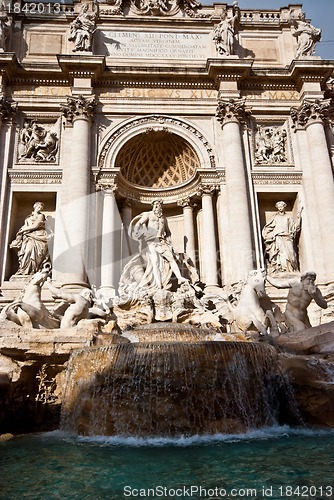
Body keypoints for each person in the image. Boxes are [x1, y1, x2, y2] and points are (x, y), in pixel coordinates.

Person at [130, 199, 188, 290]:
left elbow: (168, 232)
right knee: (155, 262)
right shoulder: (148, 214)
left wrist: (169, 242)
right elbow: (139, 223)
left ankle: (179, 278)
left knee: (171, 258)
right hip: (151, 241)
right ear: (153, 205)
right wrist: (137, 233)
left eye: (159, 204)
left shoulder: (163, 219)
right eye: (155, 204)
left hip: (161, 241)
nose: (157, 206)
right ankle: (158, 284)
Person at [10, 202, 50, 276]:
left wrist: (24, 230)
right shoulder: (28, 218)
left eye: (41, 208)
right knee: (27, 251)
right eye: (39, 207)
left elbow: (36, 225)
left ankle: (33, 271)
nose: (40, 209)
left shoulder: (41, 216)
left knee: (36, 254)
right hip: (29, 237)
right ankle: (23, 270)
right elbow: (25, 226)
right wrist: (21, 231)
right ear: (35, 207)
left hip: (39, 236)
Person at [262, 201, 302, 274]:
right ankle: (282, 269)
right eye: (279, 207)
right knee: (281, 254)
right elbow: (268, 227)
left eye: (281, 207)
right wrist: (268, 236)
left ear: (284, 207)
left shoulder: (288, 217)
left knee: (291, 253)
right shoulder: (275, 217)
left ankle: (291, 269)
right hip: (278, 237)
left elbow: (294, 228)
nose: (280, 208)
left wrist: (299, 218)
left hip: (288, 237)